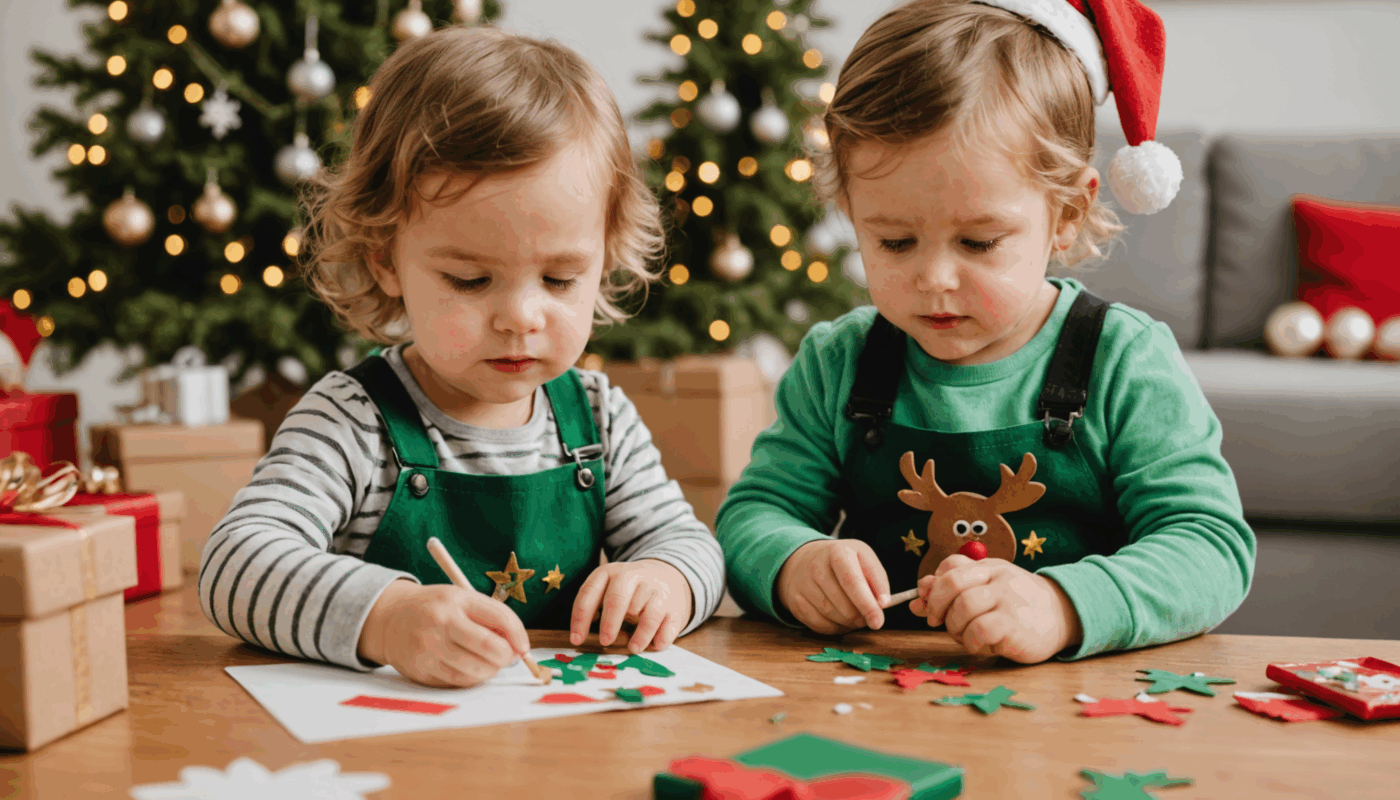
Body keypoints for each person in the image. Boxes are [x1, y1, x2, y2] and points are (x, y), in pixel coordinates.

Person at [717, 0, 1254, 664]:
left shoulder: (1125, 360)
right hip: (873, 702)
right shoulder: (839, 361)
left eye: (978, 241)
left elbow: (1210, 546)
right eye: (894, 241)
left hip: (1072, 714)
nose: (935, 278)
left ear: (1067, 213)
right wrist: (794, 563)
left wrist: (1065, 606)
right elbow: (751, 516)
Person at [199, 26, 724, 688]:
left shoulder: (599, 419)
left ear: (606, 259)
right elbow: (235, 565)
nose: (520, 317)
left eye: (560, 279)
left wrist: (664, 579)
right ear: (385, 260)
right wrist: (386, 618)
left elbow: (693, 547)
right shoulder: (352, 420)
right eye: (471, 281)